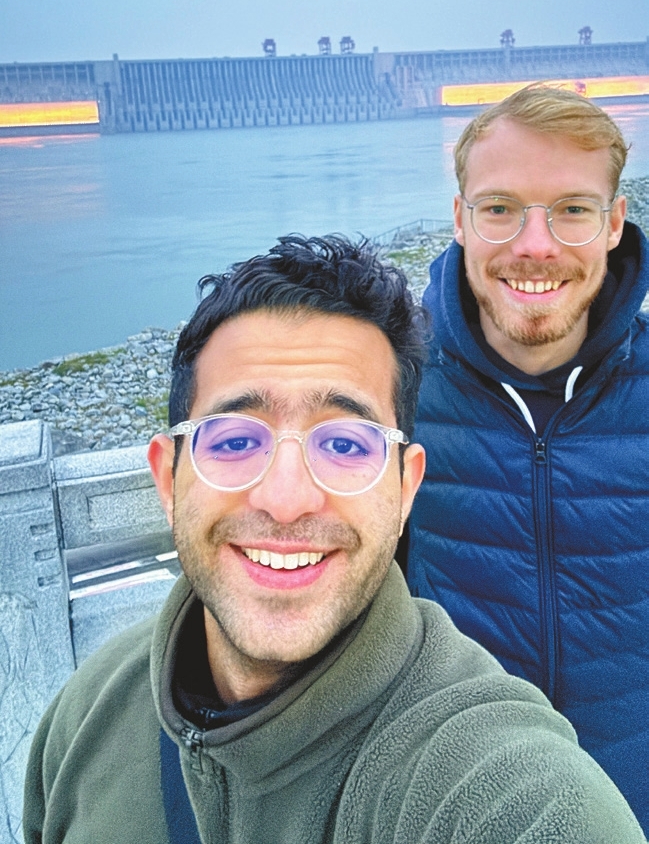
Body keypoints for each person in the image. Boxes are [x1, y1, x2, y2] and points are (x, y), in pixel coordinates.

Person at [24, 235, 645, 844]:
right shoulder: (90, 714)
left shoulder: (497, 779)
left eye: (346, 444)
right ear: (168, 478)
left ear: (405, 488)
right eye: (235, 440)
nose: (286, 498)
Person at [407, 85, 649, 832]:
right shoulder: (391, 390)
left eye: (571, 209)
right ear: (459, 220)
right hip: (459, 807)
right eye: (500, 208)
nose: (535, 245)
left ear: (613, 223)